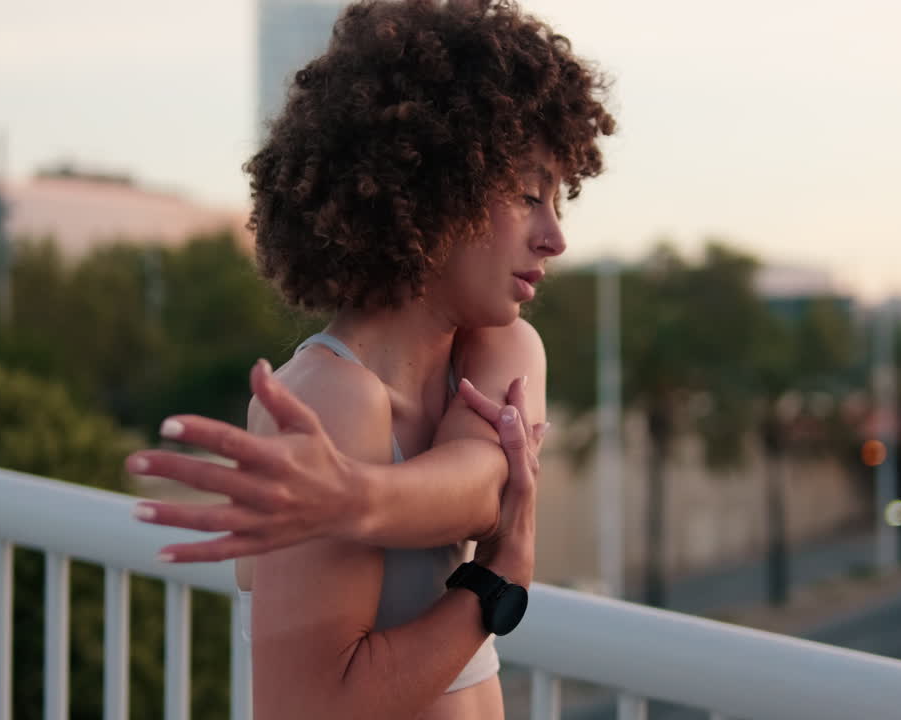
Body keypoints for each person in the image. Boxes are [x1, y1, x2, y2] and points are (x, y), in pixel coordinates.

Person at [127, 1, 613, 717]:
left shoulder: (503, 347)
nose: (554, 238)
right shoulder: (329, 400)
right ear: (432, 191)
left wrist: (351, 497)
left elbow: (482, 486)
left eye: (558, 201)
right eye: (527, 195)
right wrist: (498, 580)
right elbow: (308, 705)